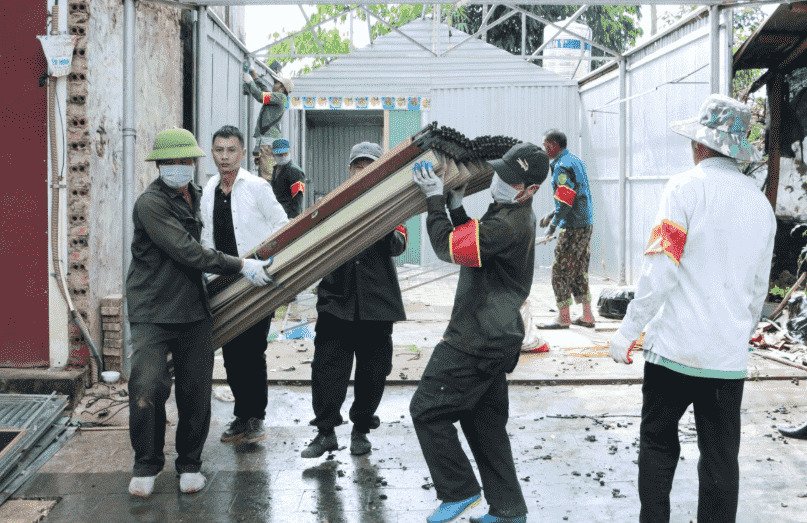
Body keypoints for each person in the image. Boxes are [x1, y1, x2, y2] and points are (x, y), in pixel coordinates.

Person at [608, 94, 776, 522]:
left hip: (674, 352)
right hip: (726, 361)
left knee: (658, 444)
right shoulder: (761, 206)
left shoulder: (684, 188)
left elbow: (660, 268)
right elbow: (758, 289)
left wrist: (629, 331)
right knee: (720, 458)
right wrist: (738, 336)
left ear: (700, 145)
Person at [126, 128, 274, 497]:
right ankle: (147, 463)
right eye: (170, 162)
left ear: (193, 162)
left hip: (193, 309)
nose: (178, 167)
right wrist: (240, 265)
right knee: (147, 385)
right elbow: (188, 251)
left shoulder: (199, 195)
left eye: (184, 161)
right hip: (153, 310)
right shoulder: (151, 203)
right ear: (159, 165)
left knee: (195, 390)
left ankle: (190, 463)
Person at [410, 142, 549, 523]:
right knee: (484, 424)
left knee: (426, 410)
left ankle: (459, 491)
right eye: (500, 172)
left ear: (530, 189)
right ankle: (508, 511)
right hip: (497, 335)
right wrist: (455, 206)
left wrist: (434, 202)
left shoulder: (509, 224)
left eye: (510, 178)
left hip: (477, 339)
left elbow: (450, 247)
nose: (500, 180)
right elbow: (474, 241)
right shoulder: (510, 213)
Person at [301, 141, 408, 458]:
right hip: (337, 298)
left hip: (377, 302)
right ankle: (325, 433)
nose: (363, 172)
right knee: (327, 369)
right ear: (350, 170)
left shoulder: (393, 204)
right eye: (358, 166)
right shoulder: (332, 203)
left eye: (370, 166)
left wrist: (381, 219)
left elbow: (398, 245)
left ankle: (361, 430)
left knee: (374, 371)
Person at [200, 125, 289, 445]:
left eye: (231, 150)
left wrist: (267, 263)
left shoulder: (257, 187)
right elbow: (206, 236)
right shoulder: (209, 188)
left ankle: (255, 417)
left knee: (253, 349)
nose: (224, 157)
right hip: (222, 279)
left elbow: (282, 226)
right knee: (231, 349)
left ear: (241, 154)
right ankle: (241, 415)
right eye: (218, 150)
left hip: (254, 280)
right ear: (212, 153)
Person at [537, 129, 595, 329]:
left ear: (553, 145)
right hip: (586, 223)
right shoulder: (575, 160)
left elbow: (566, 200)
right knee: (579, 270)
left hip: (572, 227)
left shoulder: (561, 167)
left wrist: (552, 226)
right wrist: (553, 213)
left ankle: (563, 317)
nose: (544, 150)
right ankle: (587, 316)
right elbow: (575, 193)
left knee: (560, 271)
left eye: (545, 146)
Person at [243, 61, 294, 181]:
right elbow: (265, 90)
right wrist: (254, 74)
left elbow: (261, 96)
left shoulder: (281, 98)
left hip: (267, 143)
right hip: (267, 142)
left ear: (282, 88)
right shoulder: (278, 97)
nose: (274, 84)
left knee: (266, 177)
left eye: (277, 83)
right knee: (265, 174)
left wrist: (249, 81)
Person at [269, 138, 306, 218]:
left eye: (285, 154)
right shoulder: (276, 169)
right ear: (273, 155)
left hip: (288, 216)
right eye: (279, 154)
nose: (283, 156)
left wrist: (293, 219)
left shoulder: (296, 171)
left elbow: (298, 198)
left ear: (289, 152)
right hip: (277, 214)